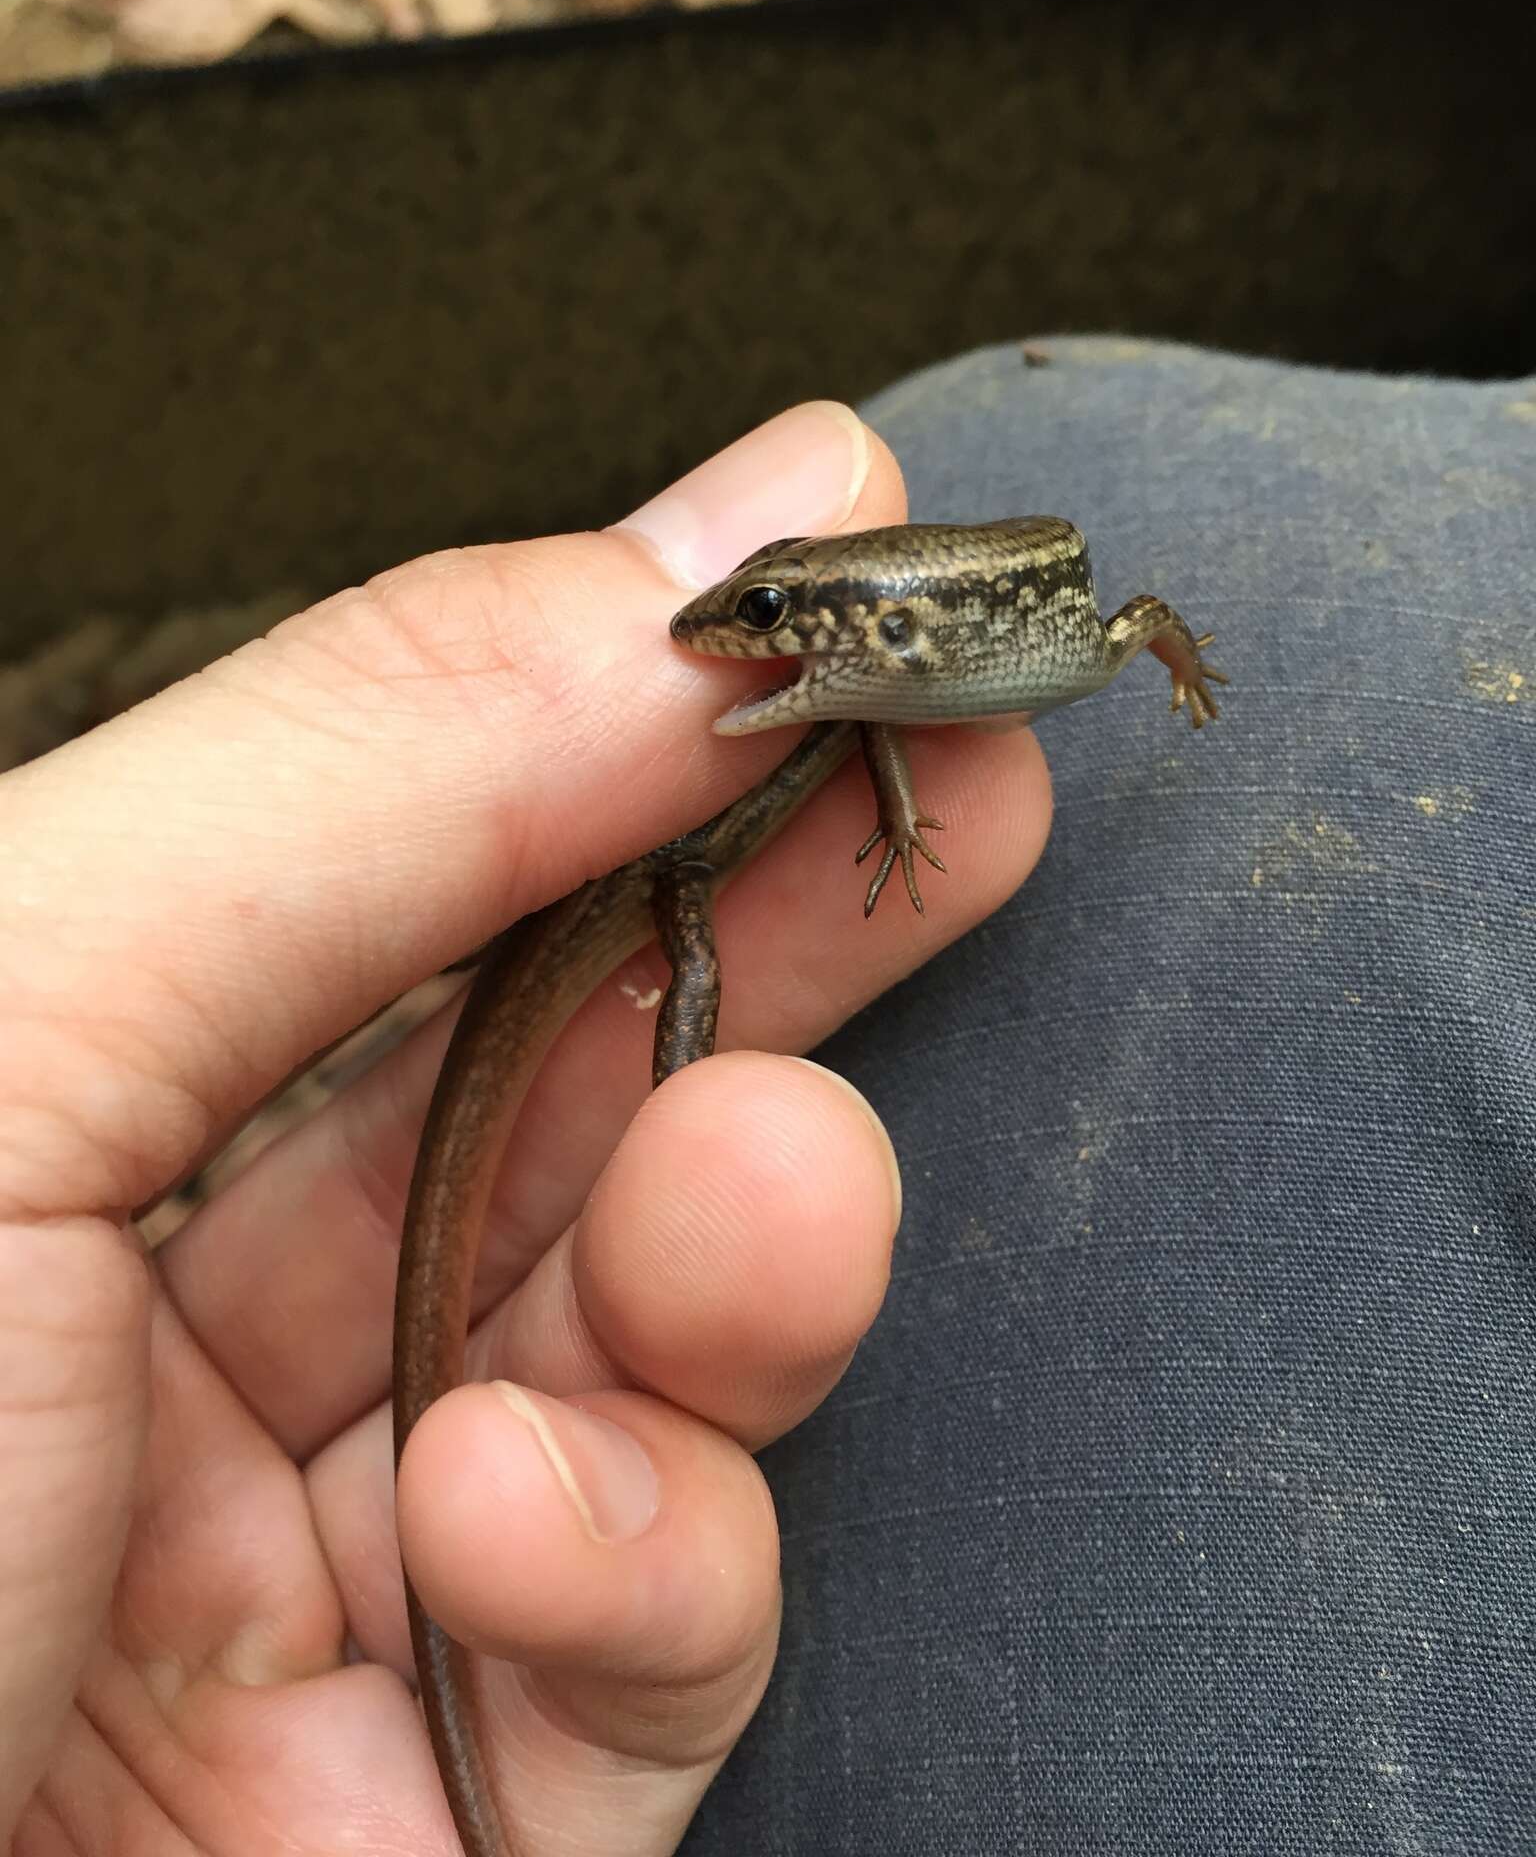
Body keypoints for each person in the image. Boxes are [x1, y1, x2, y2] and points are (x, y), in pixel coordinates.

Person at [2, 345, 1531, 1857]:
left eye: (770, 613)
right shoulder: (836, 680)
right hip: (657, 874)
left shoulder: (933, 661)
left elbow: (965, 682)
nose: (726, 640)